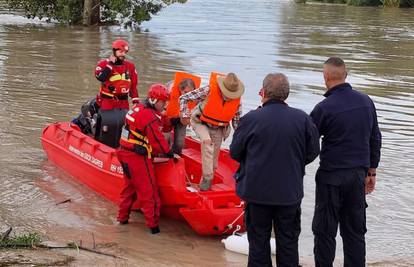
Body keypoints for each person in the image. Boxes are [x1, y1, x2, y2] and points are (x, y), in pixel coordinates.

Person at [230, 73, 320, 267]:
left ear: (264, 92)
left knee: (258, 244)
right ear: (286, 94)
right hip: (289, 192)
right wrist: (294, 164)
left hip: (257, 193)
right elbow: (313, 152)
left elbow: (235, 153)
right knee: (288, 242)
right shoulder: (302, 119)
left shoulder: (251, 119)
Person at [310, 57, 382, 267]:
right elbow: (375, 138)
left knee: (324, 232)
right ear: (346, 75)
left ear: (325, 77)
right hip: (357, 177)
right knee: (354, 232)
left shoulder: (323, 108)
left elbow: (308, 143)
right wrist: (372, 172)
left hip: (331, 176)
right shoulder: (366, 102)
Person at [116, 84, 173, 234]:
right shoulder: (149, 116)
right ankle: (153, 229)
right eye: (163, 102)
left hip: (123, 153)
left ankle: (122, 219)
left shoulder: (138, 108)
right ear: (154, 100)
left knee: (129, 189)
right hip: (137, 157)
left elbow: (157, 123)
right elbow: (157, 141)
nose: (165, 105)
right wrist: (169, 153)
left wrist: (171, 122)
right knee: (150, 193)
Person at [179, 72, 244, 191]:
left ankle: (204, 188)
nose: (229, 97)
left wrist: (242, 140)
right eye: (227, 94)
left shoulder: (237, 101)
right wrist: (184, 115)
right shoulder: (208, 90)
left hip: (219, 128)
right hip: (200, 122)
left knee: (213, 164)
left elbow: (237, 123)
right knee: (207, 142)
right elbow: (183, 98)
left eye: (231, 95)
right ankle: (208, 178)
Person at [95, 39, 139, 110]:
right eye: (121, 52)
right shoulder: (103, 64)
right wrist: (110, 65)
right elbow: (100, 78)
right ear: (114, 51)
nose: (123, 54)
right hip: (106, 102)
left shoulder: (130, 66)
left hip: (123, 104)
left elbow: (133, 86)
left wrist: (135, 102)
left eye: (125, 52)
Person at [164, 72, 201, 154]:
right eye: (185, 92)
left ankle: (176, 157)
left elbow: (197, 112)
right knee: (165, 140)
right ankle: (164, 157)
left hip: (181, 119)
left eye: (190, 93)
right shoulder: (168, 92)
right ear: (180, 89)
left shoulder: (196, 97)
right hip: (167, 118)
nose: (188, 96)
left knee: (180, 143)